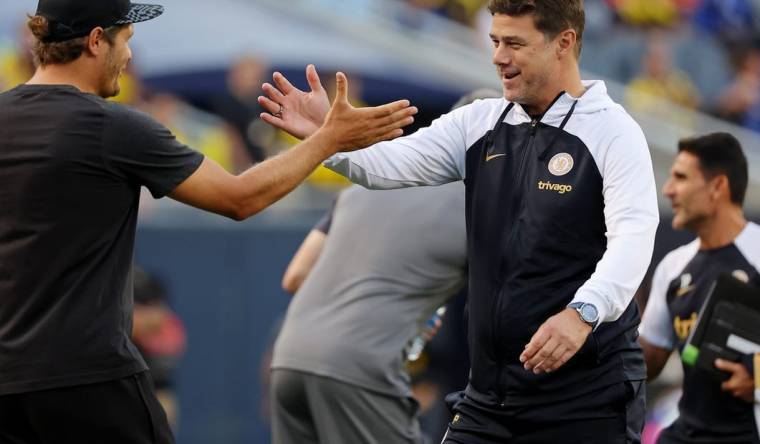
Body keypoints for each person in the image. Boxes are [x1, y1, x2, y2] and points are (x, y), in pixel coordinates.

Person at [0, 0, 417, 442]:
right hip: (87, 382)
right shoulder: (112, 127)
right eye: (126, 40)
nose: (130, 56)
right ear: (96, 40)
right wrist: (329, 138)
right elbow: (240, 198)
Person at [259, 1, 659, 442]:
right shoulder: (481, 121)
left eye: (514, 43)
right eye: (494, 42)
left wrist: (583, 313)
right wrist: (325, 139)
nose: (498, 57)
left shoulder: (614, 132)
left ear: (564, 42)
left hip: (585, 395)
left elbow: (634, 238)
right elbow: (387, 165)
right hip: (490, 398)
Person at [271, 181, 466, 444]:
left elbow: (295, 275)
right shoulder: (478, 200)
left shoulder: (363, 187)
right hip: (358, 363)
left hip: (289, 358)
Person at [639, 132, 760, 444]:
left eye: (680, 177)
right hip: (687, 432)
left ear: (718, 186)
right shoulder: (673, 267)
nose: (667, 190)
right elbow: (647, 362)